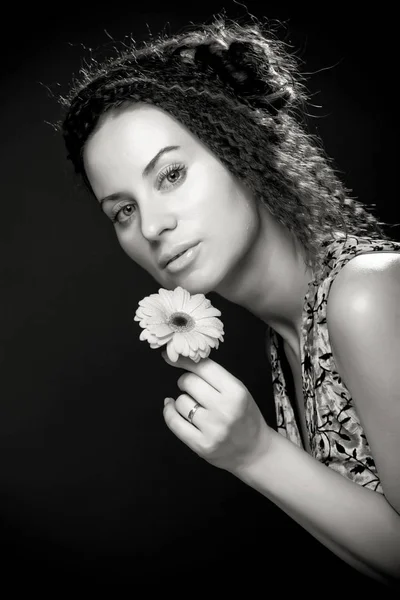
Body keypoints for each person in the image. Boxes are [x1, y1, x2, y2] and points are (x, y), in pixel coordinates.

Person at [58, 13, 400, 586]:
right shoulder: (290, 330)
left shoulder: (365, 294)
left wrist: (255, 452)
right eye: (123, 210)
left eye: (170, 175)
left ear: (238, 145)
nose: (152, 226)